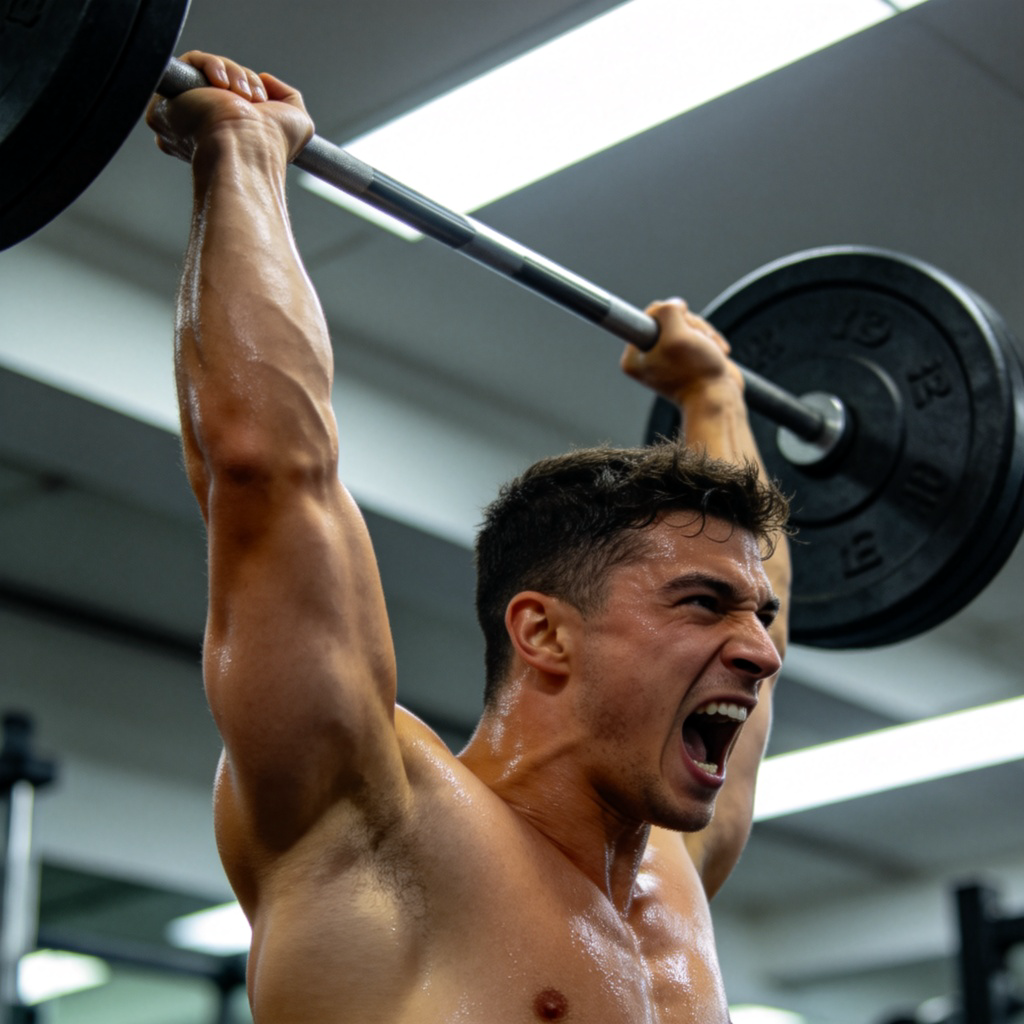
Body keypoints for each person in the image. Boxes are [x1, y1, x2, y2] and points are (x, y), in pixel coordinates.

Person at [147, 52, 792, 1024]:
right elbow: (266, 469)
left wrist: (714, 394)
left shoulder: (673, 869)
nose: (761, 649)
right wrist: (240, 154)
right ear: (542, 632)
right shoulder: (374, 822)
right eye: (701, 604)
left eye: (761, 616)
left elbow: (757, 604)